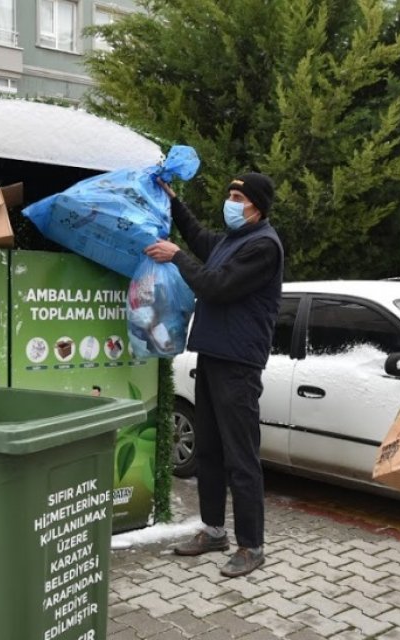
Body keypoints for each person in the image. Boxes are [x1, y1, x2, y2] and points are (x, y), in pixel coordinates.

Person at [145, 172, 284, 578]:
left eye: (237, 196)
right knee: (208, 449)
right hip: (212, 356)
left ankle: (251, 545)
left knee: (241, 457)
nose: (231, 201)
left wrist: (176, 256)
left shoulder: (263, 247)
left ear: (256, 204)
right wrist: (171, 200)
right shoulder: (231, 241)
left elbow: (216, 286)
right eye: (230, 194)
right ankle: (214, 531)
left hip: (239, 364)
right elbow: (197, 235)